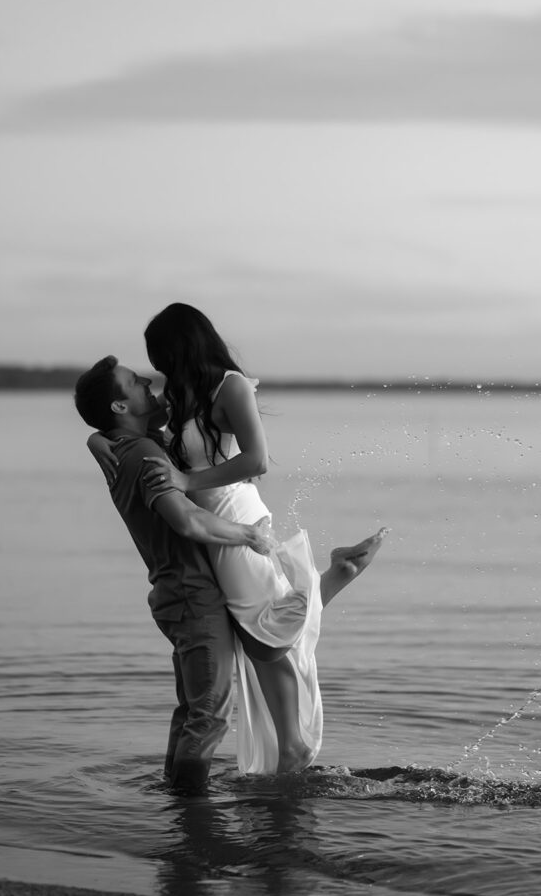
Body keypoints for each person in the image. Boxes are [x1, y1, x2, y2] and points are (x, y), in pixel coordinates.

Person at [88, 304, 387, 775]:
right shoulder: (182, 394)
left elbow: (258, 460)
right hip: (214, 530)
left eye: (160, 358)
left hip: (233, 514)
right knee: (256, 621)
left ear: (180, 346)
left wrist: (188, 485)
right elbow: (129, 425)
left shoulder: (231, 385)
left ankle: (290, 742)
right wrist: (96, 440)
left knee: (262, 629)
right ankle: (335, 576)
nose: (156, 373)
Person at [74, 355, 272, 795]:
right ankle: (190, 810)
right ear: (119, 408)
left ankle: (174, 796)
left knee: (193, 708)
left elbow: (165, 415)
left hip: (175, 593)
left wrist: (94, 437)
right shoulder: (144, 453)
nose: (146, 380)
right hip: (190, 594)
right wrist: (248, 536)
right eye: (132, 381)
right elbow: (186, 521)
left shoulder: (129, 446)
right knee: (211, 711)